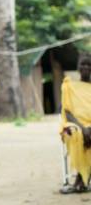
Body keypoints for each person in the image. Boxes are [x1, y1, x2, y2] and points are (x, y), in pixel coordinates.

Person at [60, 53, 91, 193]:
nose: (85, 67)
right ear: (78, 67)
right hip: (74, 125)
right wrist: (83, 127)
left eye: (88, 64)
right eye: (82, 64)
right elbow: (67, 112)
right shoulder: (69, 86)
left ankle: (81, 181)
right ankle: (82, 181)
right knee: (77, 134)